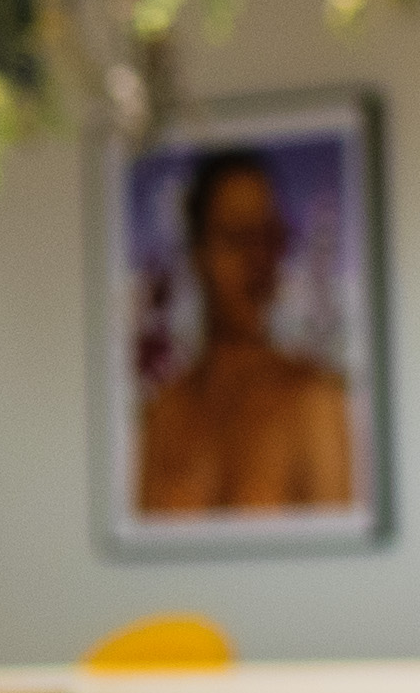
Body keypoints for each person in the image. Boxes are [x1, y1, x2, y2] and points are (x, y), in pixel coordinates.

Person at [131, 145, 356, 518]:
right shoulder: (162, 417)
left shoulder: (315, 402)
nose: (258, 260)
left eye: (267, 237)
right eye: (237, 237)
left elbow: (341, 565)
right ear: (198, 253)